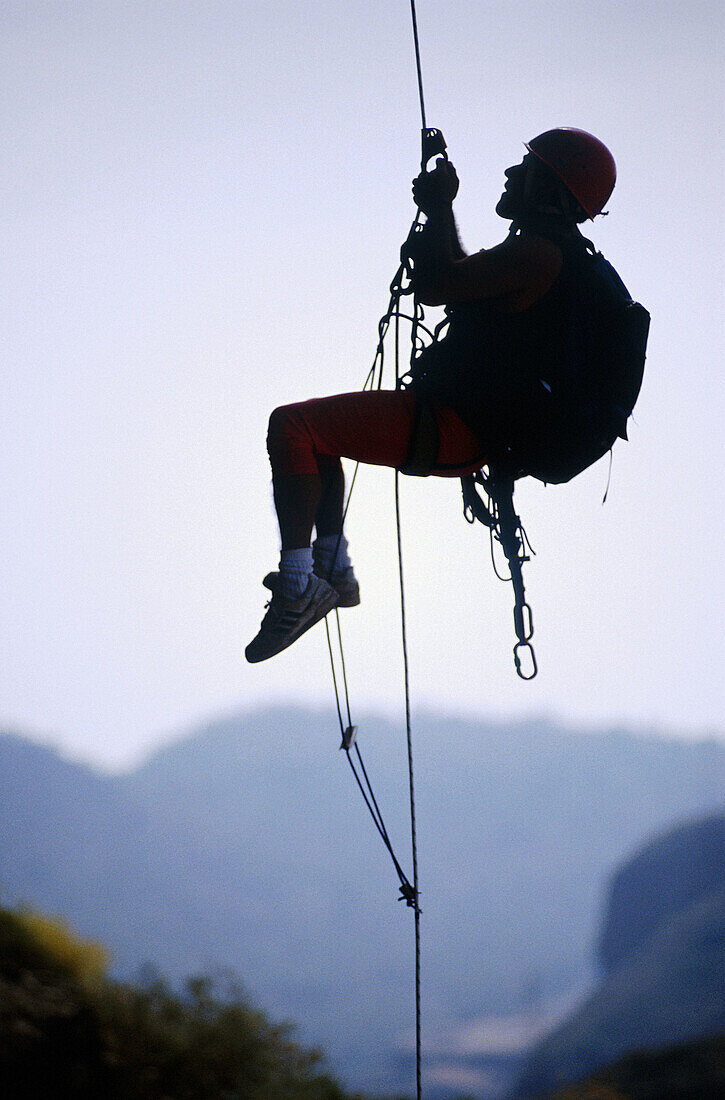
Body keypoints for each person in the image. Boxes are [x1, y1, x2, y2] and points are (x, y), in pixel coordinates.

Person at [245, 127, 617, 663]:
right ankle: (333, 572)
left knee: (294, 428)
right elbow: (465, 282)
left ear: (551, 190)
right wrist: (440, 215)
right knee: (315, 439)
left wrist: (441, 204)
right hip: (461, 428)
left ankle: (303, 582)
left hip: (452, 425)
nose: (513, 173)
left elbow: (441, 284)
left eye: (527, 168)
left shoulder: (541, 255)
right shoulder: (548, 258)